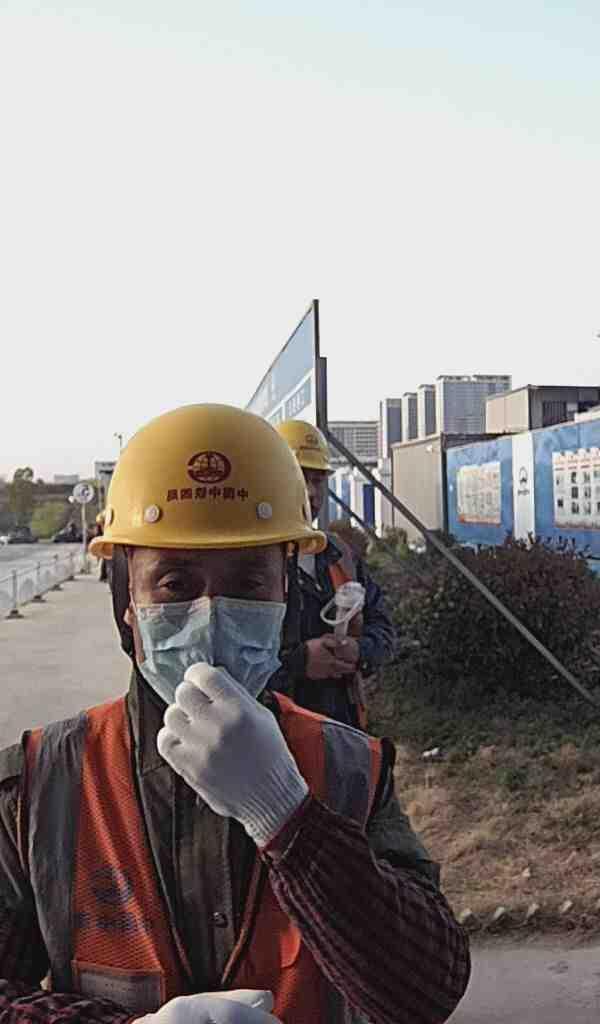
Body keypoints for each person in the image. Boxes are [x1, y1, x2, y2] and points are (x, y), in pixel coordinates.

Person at [0, 404, 469, 1024]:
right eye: (175, 583)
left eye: (248, 582)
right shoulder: (39, 784)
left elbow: (425, 994)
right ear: (126, 603)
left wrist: (288, 817)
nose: (212, 614)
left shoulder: (350, 767)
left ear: (284, 594)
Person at [269, 419, 394, 729]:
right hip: (275, 738)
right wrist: (299, 663)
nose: (311, 493)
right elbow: (227, 668)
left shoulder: (339, 554)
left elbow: (383, 629)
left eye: (318, 480)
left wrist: (359, 651)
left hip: (342, 732)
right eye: (300, 479)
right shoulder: (251, 563)